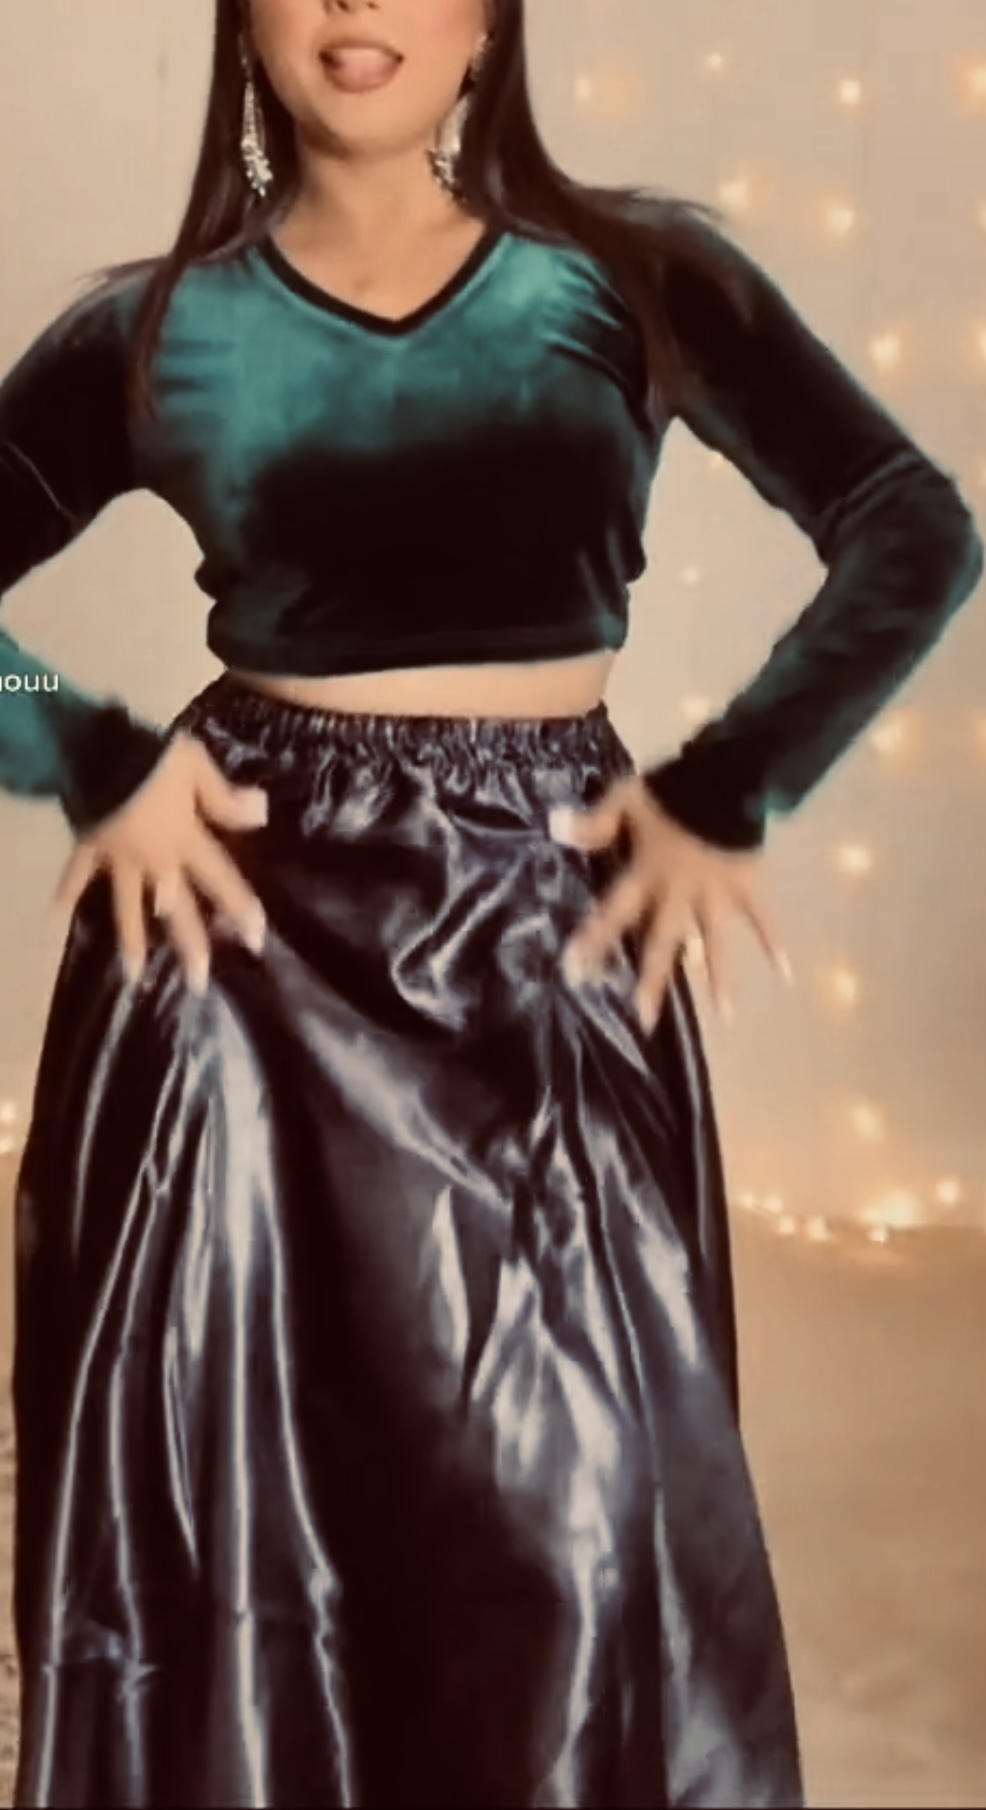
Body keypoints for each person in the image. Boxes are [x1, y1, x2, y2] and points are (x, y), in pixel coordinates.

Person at [3, 0, 982, 1803]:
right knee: (247, 1533)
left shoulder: (634, 279)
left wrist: (726, 784)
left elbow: (911, 525)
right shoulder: (155, 329)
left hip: (541, 944)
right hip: (237, 983)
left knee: (577, 1517)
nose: (356, 2)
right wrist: (84, 752)